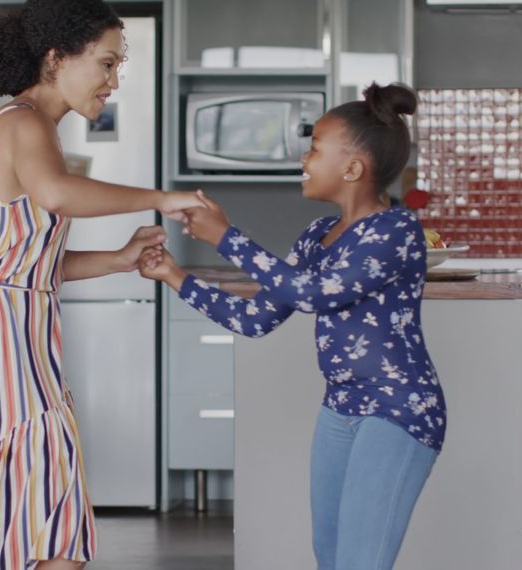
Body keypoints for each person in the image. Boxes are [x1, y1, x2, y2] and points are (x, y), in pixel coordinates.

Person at [0, 1, 200, 568]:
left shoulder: (36, 128)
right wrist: (161, 197)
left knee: (31, 501)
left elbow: (26, 263)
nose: (114, 81)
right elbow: (58, 196)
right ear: (57, 59)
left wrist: (116, 258)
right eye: (106, 64)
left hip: (14, 328)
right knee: (26, 493)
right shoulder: (22, 123)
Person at [140, 83, 446, 570]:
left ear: (352, 168)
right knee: (331, 559)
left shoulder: (396, 231)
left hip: (397, 410)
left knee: (360, 564)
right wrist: (173, 276)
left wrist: (226, 237)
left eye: (315, 147)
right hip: (340, 409)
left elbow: (313, 294)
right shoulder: (315, 236)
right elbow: (256, 319)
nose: (303, 156)